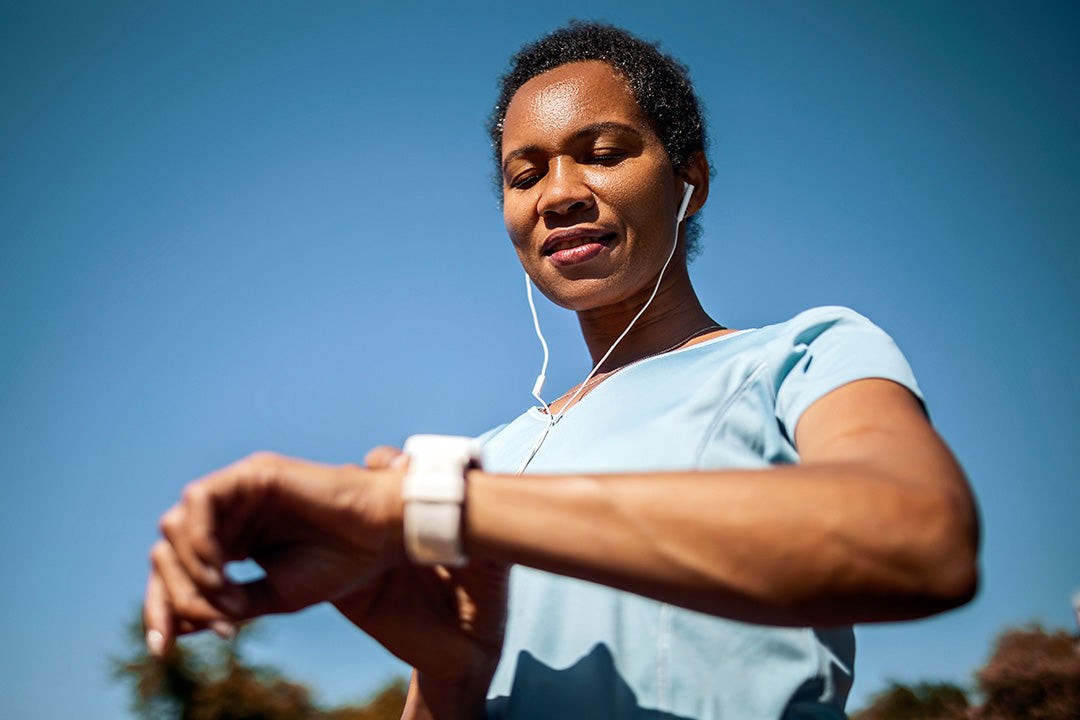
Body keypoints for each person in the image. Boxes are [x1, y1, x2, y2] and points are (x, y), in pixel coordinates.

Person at [144, 23, 979, 720]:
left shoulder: (803, 356)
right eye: (526, 172)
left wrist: (443, 507)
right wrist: (449, 672)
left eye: (603, 153)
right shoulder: (483, 460)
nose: (560, 193)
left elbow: (921, 539)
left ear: (690, 181)